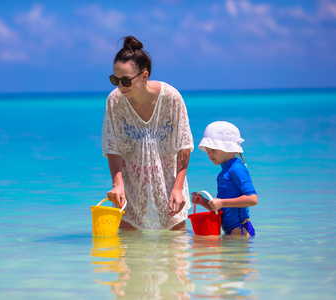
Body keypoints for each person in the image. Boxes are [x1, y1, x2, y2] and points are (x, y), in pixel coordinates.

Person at [102, 36, 194, 230]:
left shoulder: (171, 98)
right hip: (131, 191)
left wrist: (178, 188)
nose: (119, 86)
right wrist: (117, 184)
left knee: (176, 254)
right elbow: (113, 146)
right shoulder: (115, 102)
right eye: (114, 79)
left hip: (169, 186)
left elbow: (184, 146)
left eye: (125, 80)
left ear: (144, 76)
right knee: (130, 254)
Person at [191, 121, 258, 236]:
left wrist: (221, 202)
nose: (209, 154)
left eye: (213, 149)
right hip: (231, 232)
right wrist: (204, 202)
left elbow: (252, 199)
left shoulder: (236, 169)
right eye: (207, 150)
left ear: (229, 147)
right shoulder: (223, 173)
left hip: (241, 230)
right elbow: (223, 209)